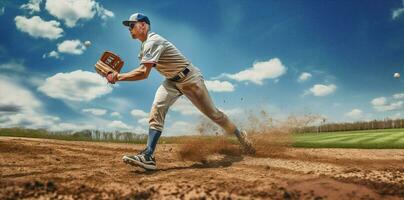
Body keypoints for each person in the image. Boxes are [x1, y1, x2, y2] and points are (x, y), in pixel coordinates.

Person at [107, 13, 255, 170]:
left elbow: (144, 73)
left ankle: (240, 136)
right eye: (129, 27)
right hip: (171, 81)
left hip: (190, 79)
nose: (129, 29)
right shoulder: (144, 46)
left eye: (132, 25)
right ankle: (148, 155)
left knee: (214, 115)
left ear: (143, 25)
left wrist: (118, 77)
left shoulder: (153, 41)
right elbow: (143, 68)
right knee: (157, 108)